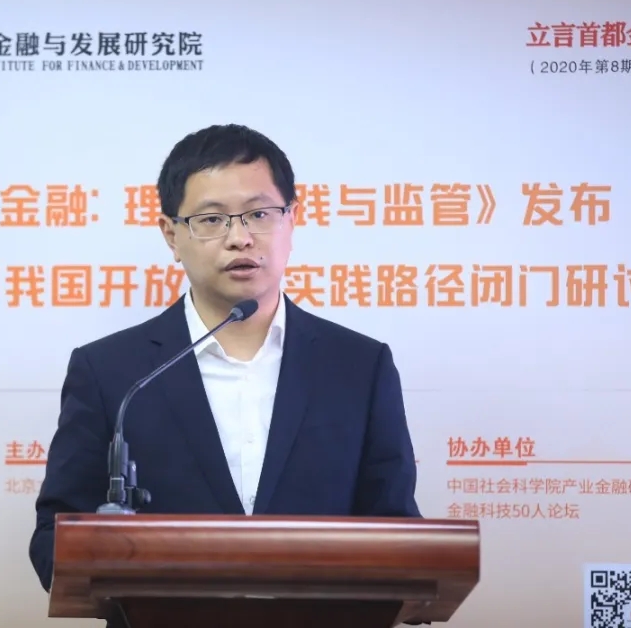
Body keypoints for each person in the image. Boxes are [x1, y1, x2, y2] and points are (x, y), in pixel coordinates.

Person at [29, 123, 422, 616]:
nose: (240, 238)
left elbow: (396, 528)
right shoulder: (113, 372)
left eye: (259, 214)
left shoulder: (359, 366)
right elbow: (55, 537)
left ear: (292, 221)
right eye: (212, 219)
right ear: (171, 235)